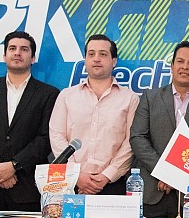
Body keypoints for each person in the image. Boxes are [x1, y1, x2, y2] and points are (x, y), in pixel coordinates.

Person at [0, 31, 60, 213]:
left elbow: (45, 138)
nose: (17, 53)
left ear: (33, 58)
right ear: (4, 56)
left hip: (26, 188)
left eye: (24, 49)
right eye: (12, 48)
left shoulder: (48, 94)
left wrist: (14, 166)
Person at [130, 40, 189, 218]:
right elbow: (138, 138)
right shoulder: (150, 97)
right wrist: (164, 172)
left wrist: (176, 176)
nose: (185, 67)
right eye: (180, 61)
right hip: (152, 188)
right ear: (172, 66)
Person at [48, 34, 139, 196]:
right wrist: (76, 174)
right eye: (91, 54)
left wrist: (107, 175)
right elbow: (56, 136)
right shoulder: (67, 96)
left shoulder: (129, 98)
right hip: (71, 183)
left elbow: (131, 141)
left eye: (103, 54)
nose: (96, 59)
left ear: (114, 61)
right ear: (85, 60)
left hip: (112, 184)